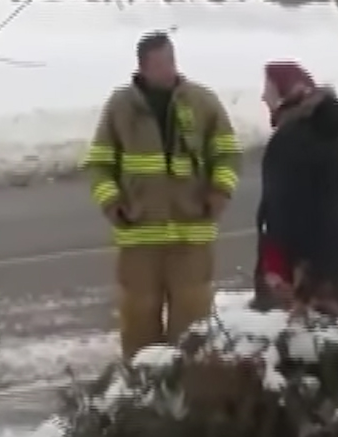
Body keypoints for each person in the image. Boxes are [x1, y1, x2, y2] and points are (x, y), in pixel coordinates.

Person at [82, 31, 242, 360]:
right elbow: (98, 163)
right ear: (142, 68)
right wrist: (112, 204)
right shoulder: (121, 107)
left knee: (192, 325)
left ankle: (189, 389)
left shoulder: (202, 103)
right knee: (139, 323)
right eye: (160, 64)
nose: (168, 70)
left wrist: (220, 191)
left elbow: (227, 153)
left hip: (192, 235)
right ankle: (141, 391)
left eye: (171, 61)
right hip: (140, 237)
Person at [254, 61, 338, 316]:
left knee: (301, 342)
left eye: (268, 89)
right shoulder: (327, 134)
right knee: (330, 333)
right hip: (329, 258)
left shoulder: (288, 139)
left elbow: (278, 207)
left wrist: (274, 264)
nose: (263, 96)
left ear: (283, 92)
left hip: (299, 269)